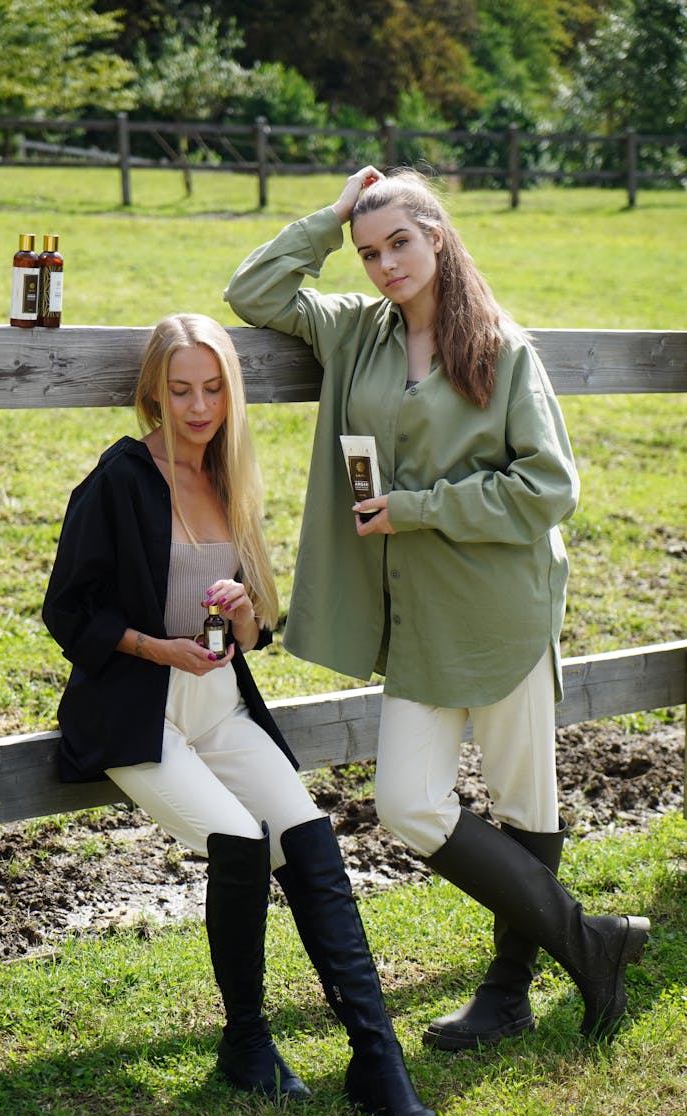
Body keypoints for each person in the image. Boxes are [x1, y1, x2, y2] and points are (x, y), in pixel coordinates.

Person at [224, 168, 650, 1051]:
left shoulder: (502, 348)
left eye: (399, 244)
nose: (383, 265)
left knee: (528, 799)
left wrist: (420, 507)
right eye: (369, 251)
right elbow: (252, 290)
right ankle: (590, 939)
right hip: (413, 620)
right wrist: (335, 213)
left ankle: (507, 992)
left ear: (439, 237)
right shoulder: (351, 331)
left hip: (501, 610)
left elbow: (549, 488)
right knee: (407, 802)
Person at [43, 313, 442, 1116]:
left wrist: (241, 608)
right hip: (137, 713)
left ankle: (379, 1062)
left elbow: (257, 628)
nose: (198, 406)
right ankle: (247, 1040)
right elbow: (67, 611)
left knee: (309, 832)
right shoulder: (118, 478)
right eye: (180, 389)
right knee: (239, 839)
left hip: (220, 707)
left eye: (214, 387)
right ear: (152, 393)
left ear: (231, 390)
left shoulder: (230, 475)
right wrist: (160, 648)